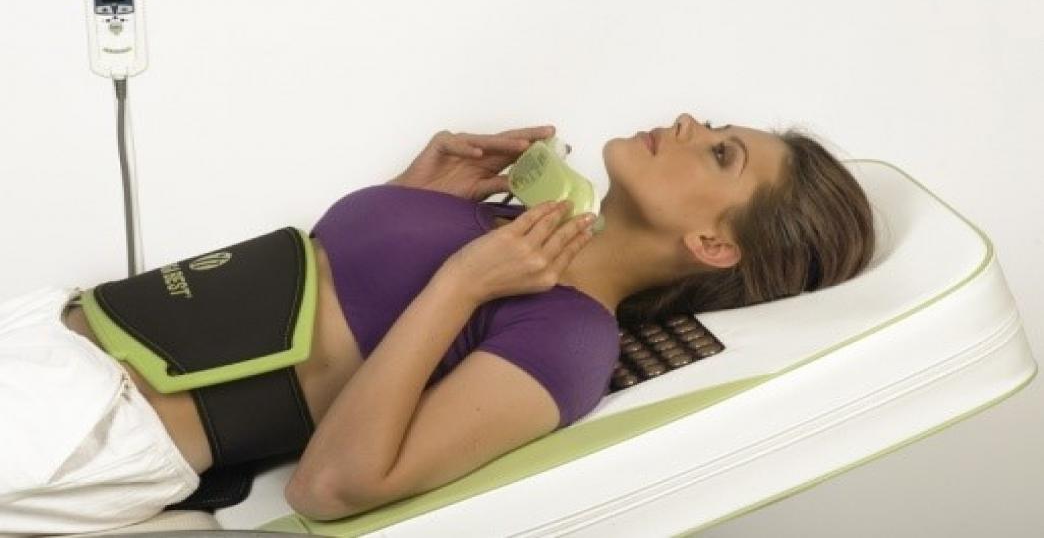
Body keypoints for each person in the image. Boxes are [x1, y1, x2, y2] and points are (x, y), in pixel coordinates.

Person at [0, 112, 874, 533]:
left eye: (719, 152)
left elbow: (334, 487)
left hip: (83, 424)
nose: (686, 122)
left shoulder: (572, 337)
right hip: (50, 330)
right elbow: (319, 305)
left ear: (712, 244)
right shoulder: (510, 231)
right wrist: (409, 199)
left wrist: (458, 285)